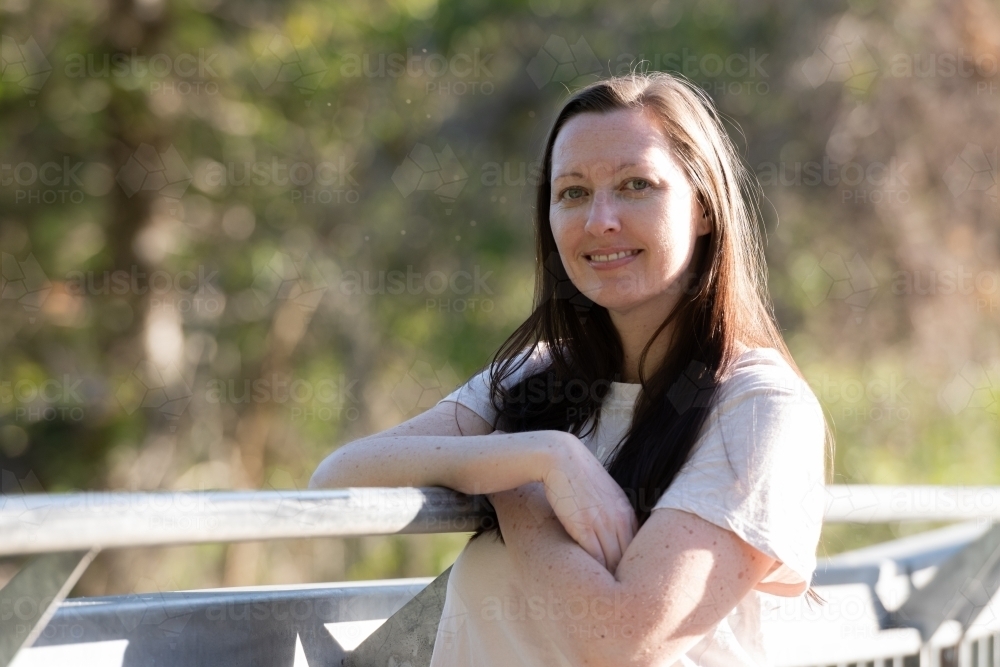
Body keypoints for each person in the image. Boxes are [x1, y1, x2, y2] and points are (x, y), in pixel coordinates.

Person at [310, 71, 830, 666]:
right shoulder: (532, 377)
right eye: (573, 192)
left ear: (705, 208)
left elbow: (618, 641)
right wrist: (543, 454)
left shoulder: (757, 406)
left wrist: (516, 488)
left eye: (636, 185)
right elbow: (337, 477)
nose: (599, 220)